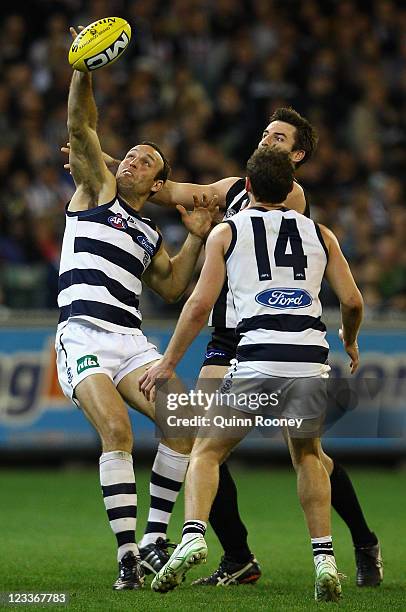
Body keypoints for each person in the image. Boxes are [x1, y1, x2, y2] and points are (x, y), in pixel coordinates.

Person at [62, 107, 383, 588]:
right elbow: (163, 190)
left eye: (278, 138)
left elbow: (208, 286)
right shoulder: (235, 188)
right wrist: (103, 163)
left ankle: (361, 538)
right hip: (229, 338)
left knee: (300, 454)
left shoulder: (288, 197)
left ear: (297, 155)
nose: (267, 140)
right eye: (264, 133)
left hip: (265, 330)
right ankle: (237, 555)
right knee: (199, 439)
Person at [139, 147, 364, 601]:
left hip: (256, 357)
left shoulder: (227, 231)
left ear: (246, 186)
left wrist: (167, 362)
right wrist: (351, 339)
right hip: (308, 359)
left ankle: (193, 535)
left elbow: (200, 305)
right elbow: (353, 301)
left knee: (205, 451)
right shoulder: (321, 234)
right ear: (291, 190)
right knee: (307, 456)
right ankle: (324, 559)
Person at [56, 40, 218, 591]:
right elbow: (81, 128)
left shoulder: (148, 232)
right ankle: (127, 556)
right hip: (82, 335)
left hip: (130, 340)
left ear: (156, 186)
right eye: (131, 153)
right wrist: (83, 70)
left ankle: (153, 540)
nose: (132, 159)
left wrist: (195, 243)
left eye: (146, 159)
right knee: (118, 432)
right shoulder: (94, 190)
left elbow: (173, 287)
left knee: (185, 425)